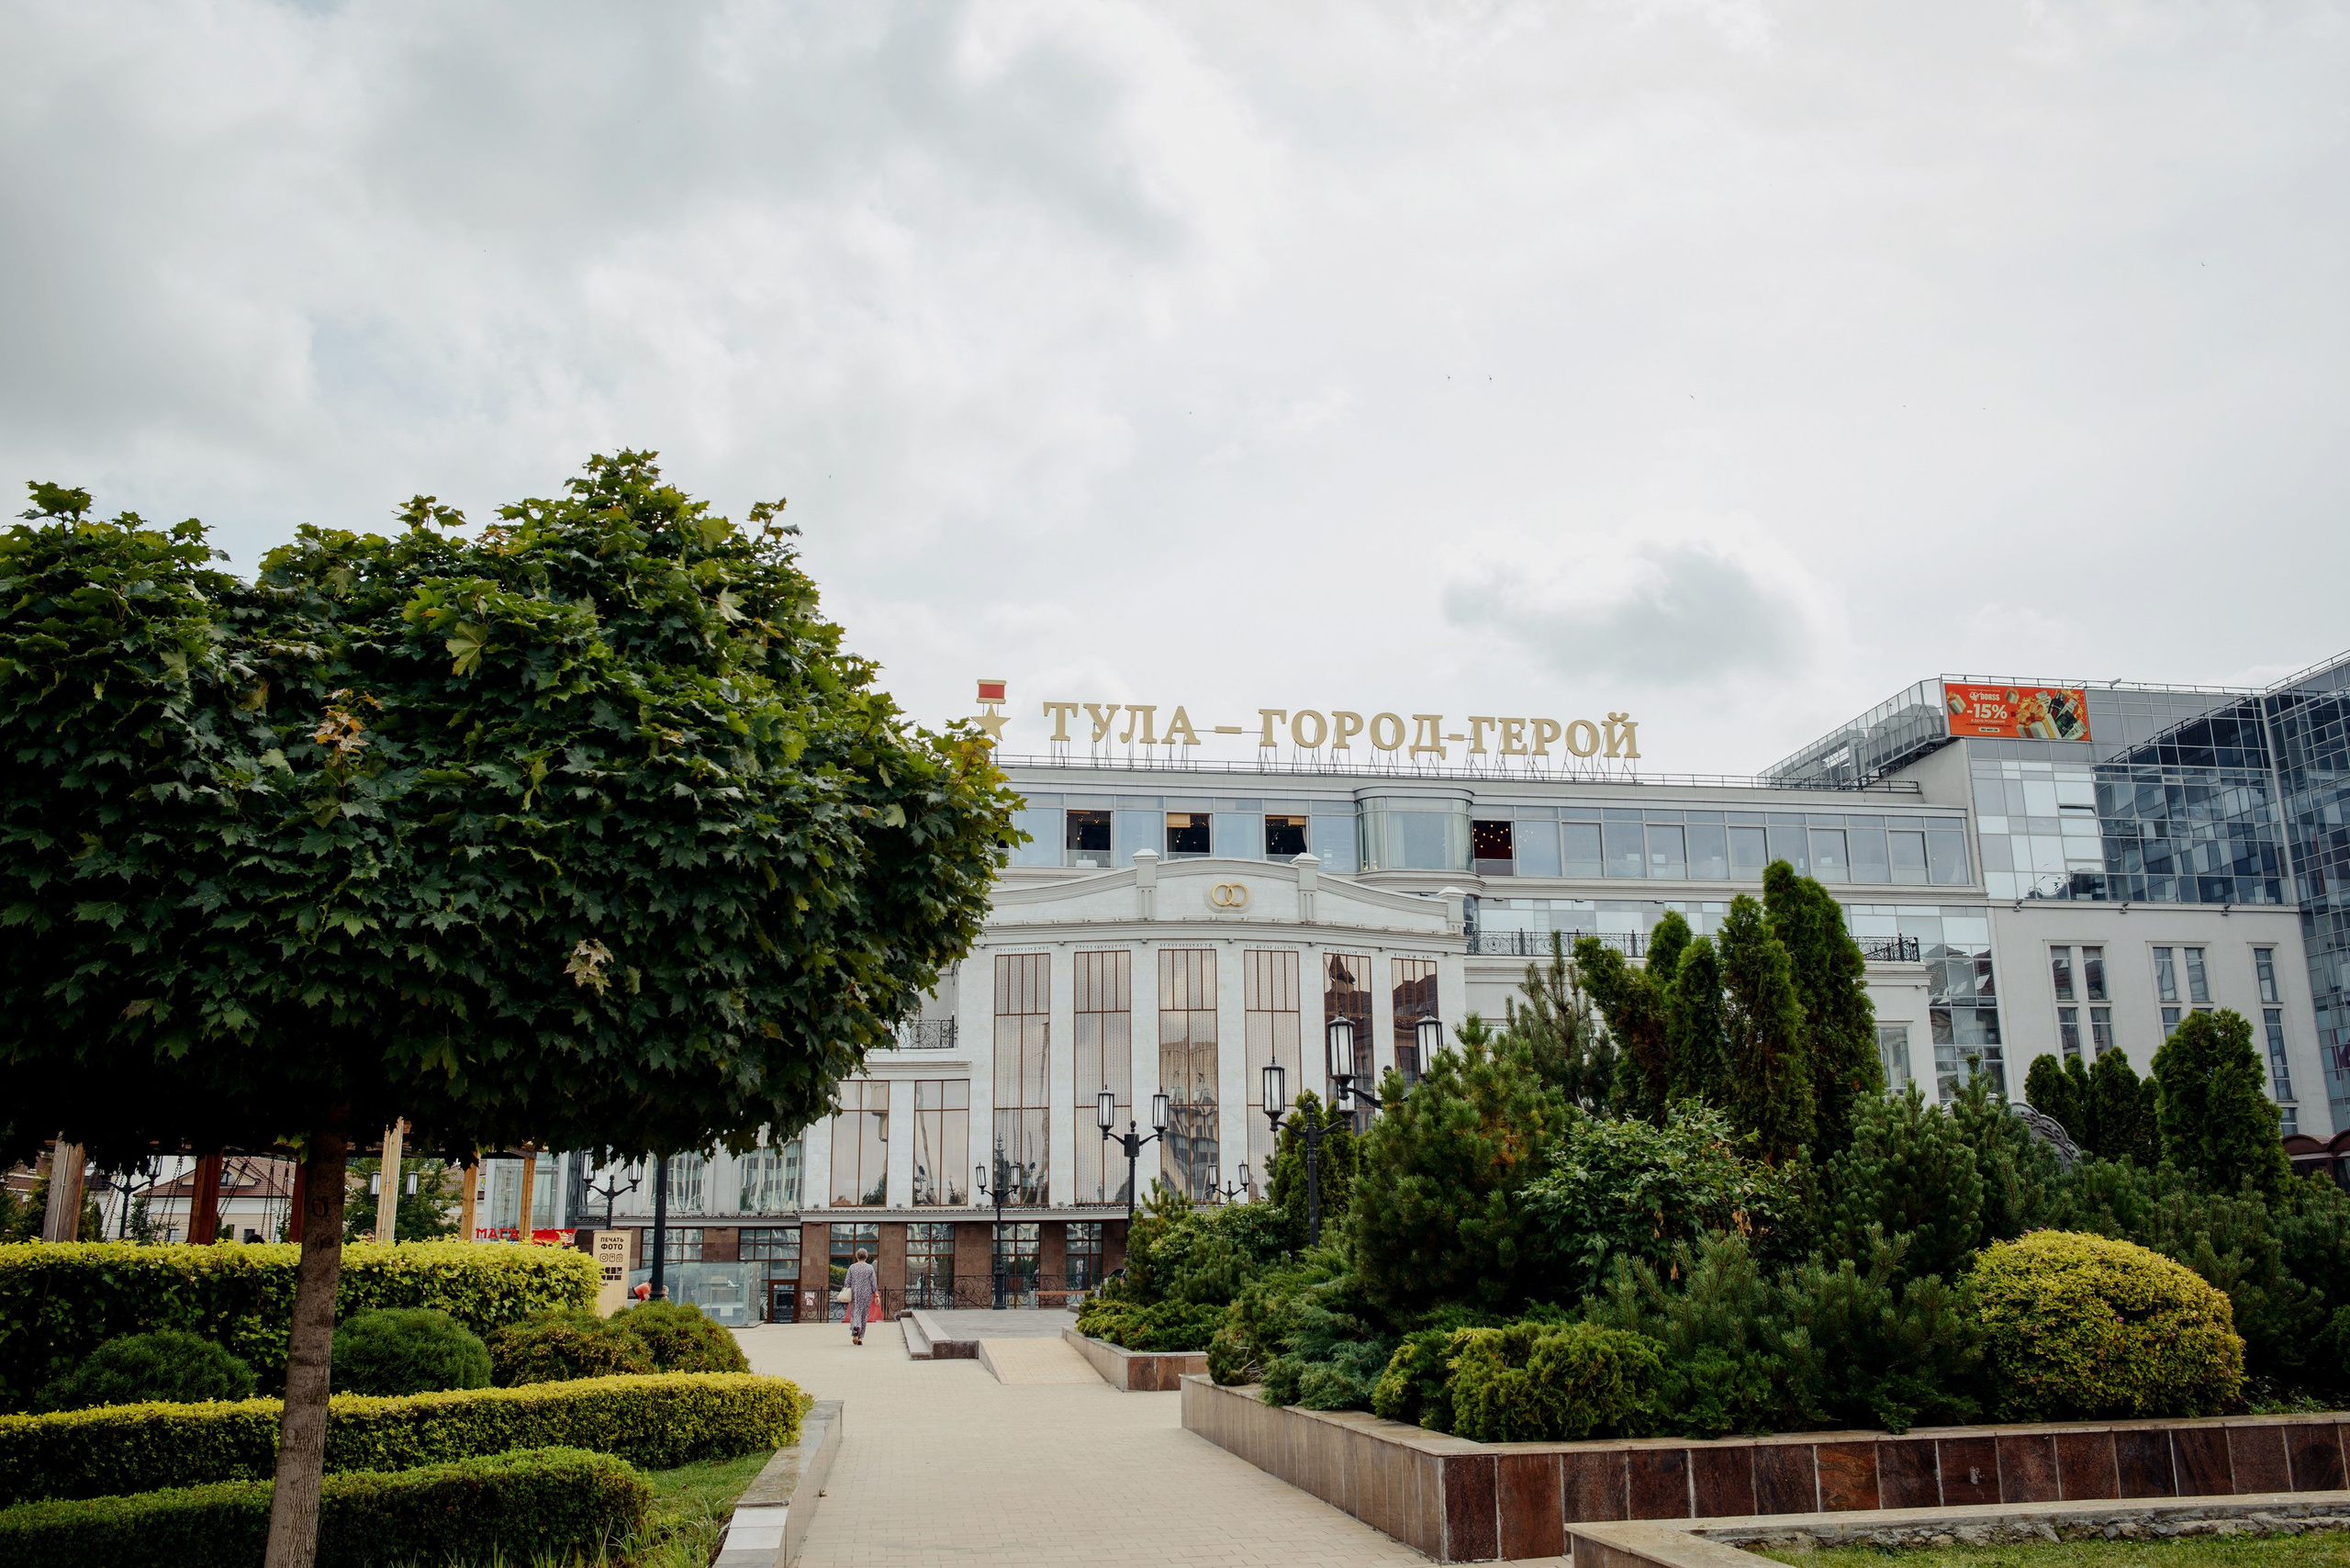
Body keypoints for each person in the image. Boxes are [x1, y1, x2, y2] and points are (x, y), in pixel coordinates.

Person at [845, 1247, 878, 1347]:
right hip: (866, 1294)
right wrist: (876, 1294)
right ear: (866, 1256)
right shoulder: (870, 1268)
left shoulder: (852, 1267)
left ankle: (856, 1328)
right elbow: (873, 1282)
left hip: (855, 1294)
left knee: (856, 1313)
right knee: (864, 1315)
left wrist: (847, 1289)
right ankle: (860, 1337)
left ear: (857, 1256)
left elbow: (847, 1282)